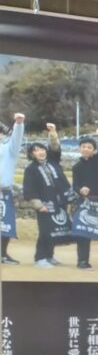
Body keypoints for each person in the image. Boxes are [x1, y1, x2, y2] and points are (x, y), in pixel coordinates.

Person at [22, 126, 72, 268]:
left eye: (42, 149)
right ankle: (40, 257)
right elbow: (29, 188)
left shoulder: (53, 161)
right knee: (45, 231)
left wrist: (53, 133)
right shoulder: (31, 169)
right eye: (36, 150)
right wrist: (38, 205)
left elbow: (55, 148)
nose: (40, 152)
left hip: (59, 201)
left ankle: (50, 256)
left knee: (55, 230)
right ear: (32, 154)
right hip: (44, 204)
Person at [71, 129, 98, 269]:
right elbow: (75, 184)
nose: (86, 149)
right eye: (84, 147)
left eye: (89, 147)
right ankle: (82, 261)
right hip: (86, 201)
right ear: (80, 148)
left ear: (94, 150)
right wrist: (80, 190)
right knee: (83, 232)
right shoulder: (76, 166)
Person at [0, 113, 25, 264]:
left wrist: (18, 124)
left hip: (4, 191)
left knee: (5, 224)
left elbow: (16, 139)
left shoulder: (8, 148)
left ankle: (3, 254)